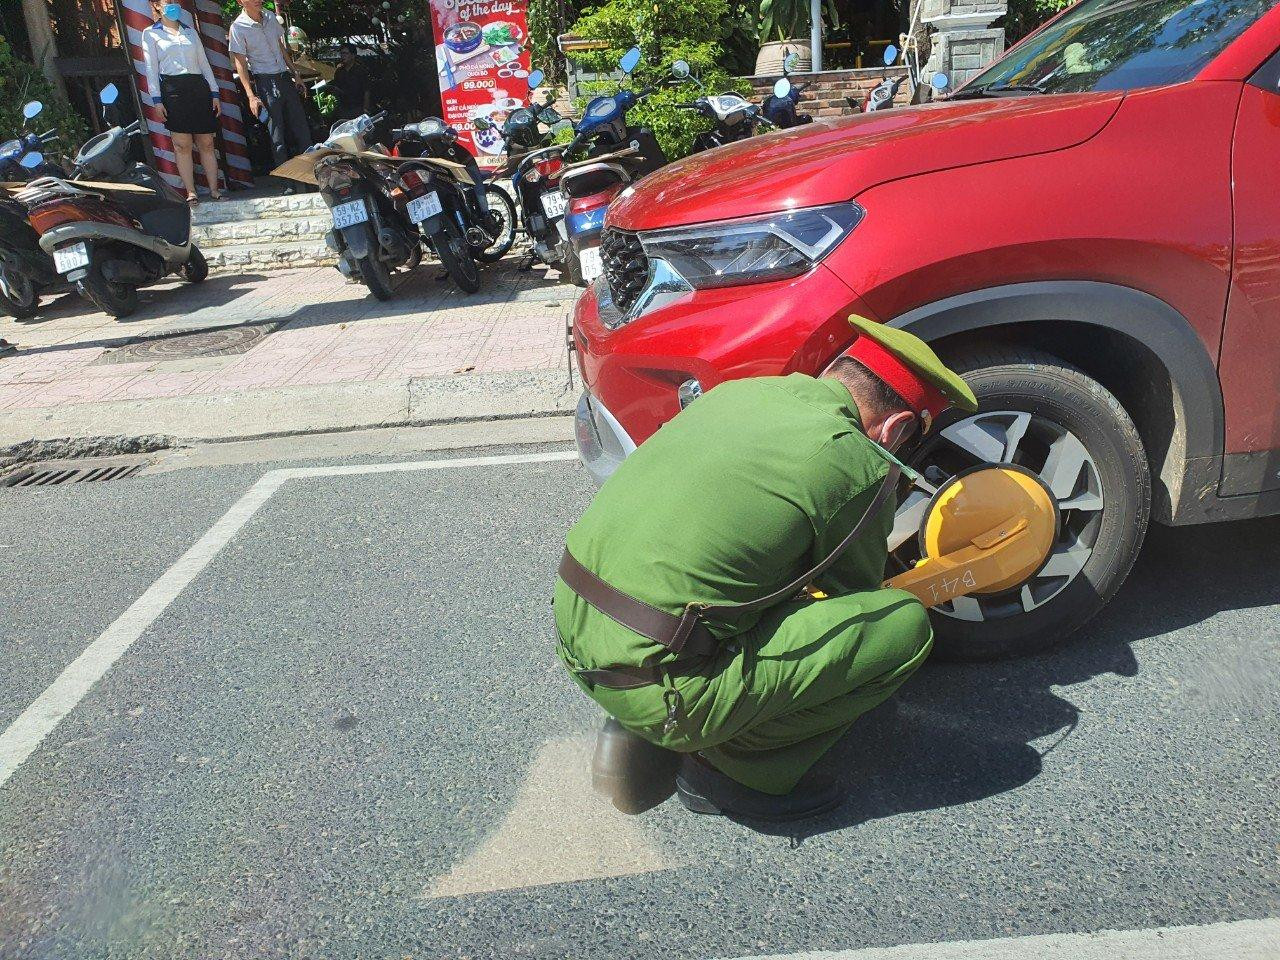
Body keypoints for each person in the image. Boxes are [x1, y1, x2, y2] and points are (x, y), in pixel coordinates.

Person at [553, 315, 979, 822]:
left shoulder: (738, 393)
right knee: (900, 625)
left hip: (575, 628)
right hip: (658, 683)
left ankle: (640, 718)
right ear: (897, 428)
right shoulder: (856, 459)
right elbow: (854, 595)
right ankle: (731, 771)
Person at [142, 0, 223, 204]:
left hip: (197, 87)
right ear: (157, 6)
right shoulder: (150, 33)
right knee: (182, 144)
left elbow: (204, 63)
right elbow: (151, 68)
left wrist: (214, 92)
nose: (172, 5)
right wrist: (157, 99)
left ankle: (214, 189)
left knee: (206, 142)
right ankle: (191, 191)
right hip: (173, 89)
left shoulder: (190, 31)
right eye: (167, 2)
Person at [228, 0, 311, 187]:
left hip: (283, 76)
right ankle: (287, 183)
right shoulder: (238, 27)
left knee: (302, 129)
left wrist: (295, 73)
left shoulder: (270, 16)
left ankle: (311, 178)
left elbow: (281, 47)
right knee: (277, 136)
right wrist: (250, 95)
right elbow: (240, 63)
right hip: (264, 80)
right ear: (241, 2)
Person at [330, 43, 372, 121]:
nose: (343, 56)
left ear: (353, 55)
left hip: (358, 108)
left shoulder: (360, 70)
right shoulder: (339, 72)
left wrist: (366, 108)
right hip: (343, 109)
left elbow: (367, 90)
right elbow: (336, 89)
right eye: (341, 53)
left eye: (345, 53)